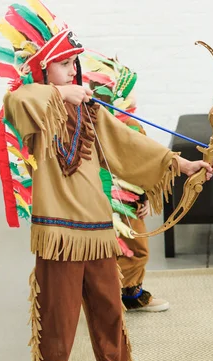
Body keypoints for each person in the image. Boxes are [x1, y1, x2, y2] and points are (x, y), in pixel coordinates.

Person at [0, 2, 213, 361]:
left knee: (109, 311)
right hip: (59, 234)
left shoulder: (88, 112)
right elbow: (18, 103)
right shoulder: (35, 105)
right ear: (43, 71)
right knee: (57, 322)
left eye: (74, 63)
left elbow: (126, 144)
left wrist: (178, 164)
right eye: (62, 64)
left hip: (98, 229)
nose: (73, 70)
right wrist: (60, 91)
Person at [84, 54, 170, 312]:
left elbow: (143, 163)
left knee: (135, 248)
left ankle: (130, 294)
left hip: (126, 202)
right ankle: (104, 297)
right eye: (127, 93)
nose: (133, 99)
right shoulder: (83, 126)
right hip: (94, 202)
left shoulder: (130, 126)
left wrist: (142, 197)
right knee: (102, 252)